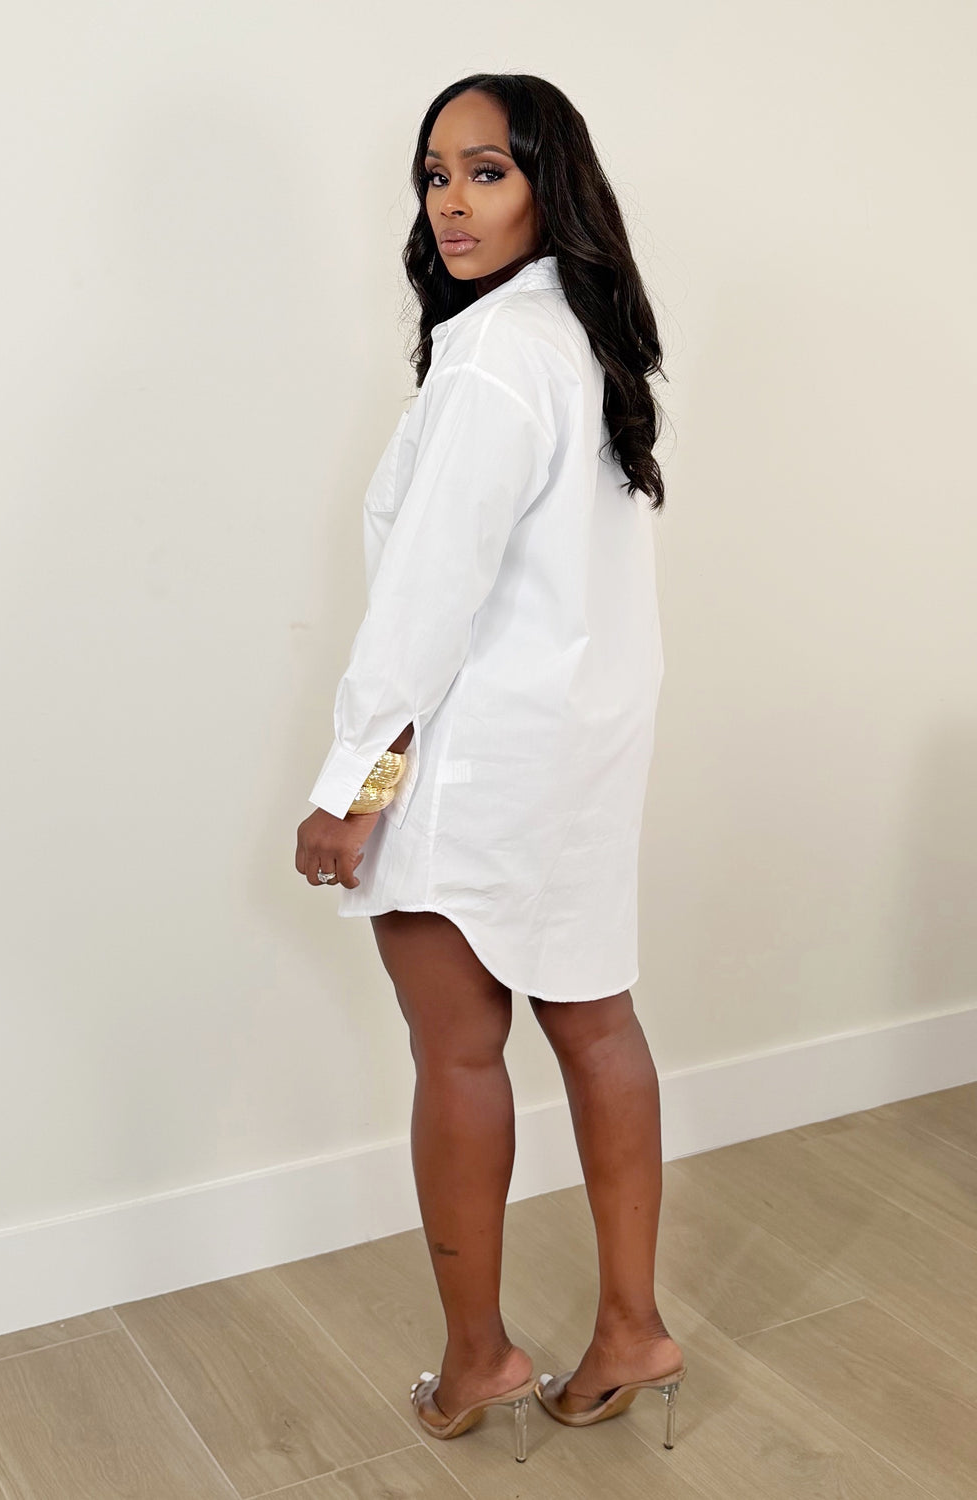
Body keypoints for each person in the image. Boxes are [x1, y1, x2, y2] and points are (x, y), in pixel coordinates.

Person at [295, 73, 686, 1463]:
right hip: (585, 746)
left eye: (486, 172)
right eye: (434, 175)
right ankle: (633, 1327)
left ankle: (478, 1358)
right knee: (597, 1023)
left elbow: (429, 594)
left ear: (547, 185)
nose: (452, 203)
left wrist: (353, 784)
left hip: (474, 759)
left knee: (457, 1051)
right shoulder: (587, 341)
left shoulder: (489, 358)